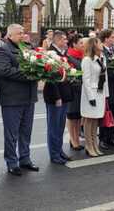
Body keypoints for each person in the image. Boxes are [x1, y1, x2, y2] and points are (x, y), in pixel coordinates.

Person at [0, 24, 39, 176]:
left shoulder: (27, 47)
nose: (22, 35)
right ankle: (12, 162)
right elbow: (4, 70)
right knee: (12, 134)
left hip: (29, 97)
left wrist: (40, 69)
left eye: (23, 33)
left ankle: (25, 159)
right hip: (12, 98)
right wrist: (30, 73)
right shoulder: (3, 49)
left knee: (26, 132)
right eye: (19, 33)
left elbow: (37, 64)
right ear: (10, 35)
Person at [43, 31, 73, 165]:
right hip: (55, 96)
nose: (67, 42)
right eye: (65, 39)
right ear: (58, 40)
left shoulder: (62, 54)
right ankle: (54, 154)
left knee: (60, 126)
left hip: (64, 94)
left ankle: (59, 150)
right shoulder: (50, 54)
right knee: (53, 127)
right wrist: (57, 97)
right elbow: (51, 78)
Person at [81, 37, 109, 157]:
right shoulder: (87, 60)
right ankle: (89, 145)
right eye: (99, 42)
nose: (101, 44)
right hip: (91, 93)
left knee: (96, 120)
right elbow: (86, 80)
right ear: (93, 45)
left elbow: (105, 78)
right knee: (89, 120)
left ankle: (94, 144)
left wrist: (106, 94)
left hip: (100, 92)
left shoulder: (102, 58)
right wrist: (90, 97)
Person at [98, 29, 114, 149]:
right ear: (106, 38)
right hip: (107, 86)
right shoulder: (101, 51)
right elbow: (103, 69)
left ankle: (111, 137)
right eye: (112, 37)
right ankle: (103, 138)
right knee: (105, 113)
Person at [65, 34, 85, 151]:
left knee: (78, 117)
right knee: (72, 116)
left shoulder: (82, 56)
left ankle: (76, 138)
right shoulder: (69, 56)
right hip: (73, 91)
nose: (83, 45)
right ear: (74, 44)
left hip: (81, 90)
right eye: (81, 43)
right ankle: (73, 140)